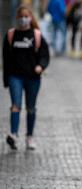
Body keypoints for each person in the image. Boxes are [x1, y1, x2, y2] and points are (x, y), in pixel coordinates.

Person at [2, 5, 50, 150]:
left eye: (26, 16)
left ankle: (30, 136)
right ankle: (14, 134)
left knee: (31, 108)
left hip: (32, 78)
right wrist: (6, 80)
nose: (23, 19)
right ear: (17, 18)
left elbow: (44, 55)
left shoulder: (36, 35)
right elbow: (6, 58)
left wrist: (41, 66)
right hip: (15, 76)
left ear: (30, 18)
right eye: (20, 17)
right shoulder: (11, 35)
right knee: (16, 105)